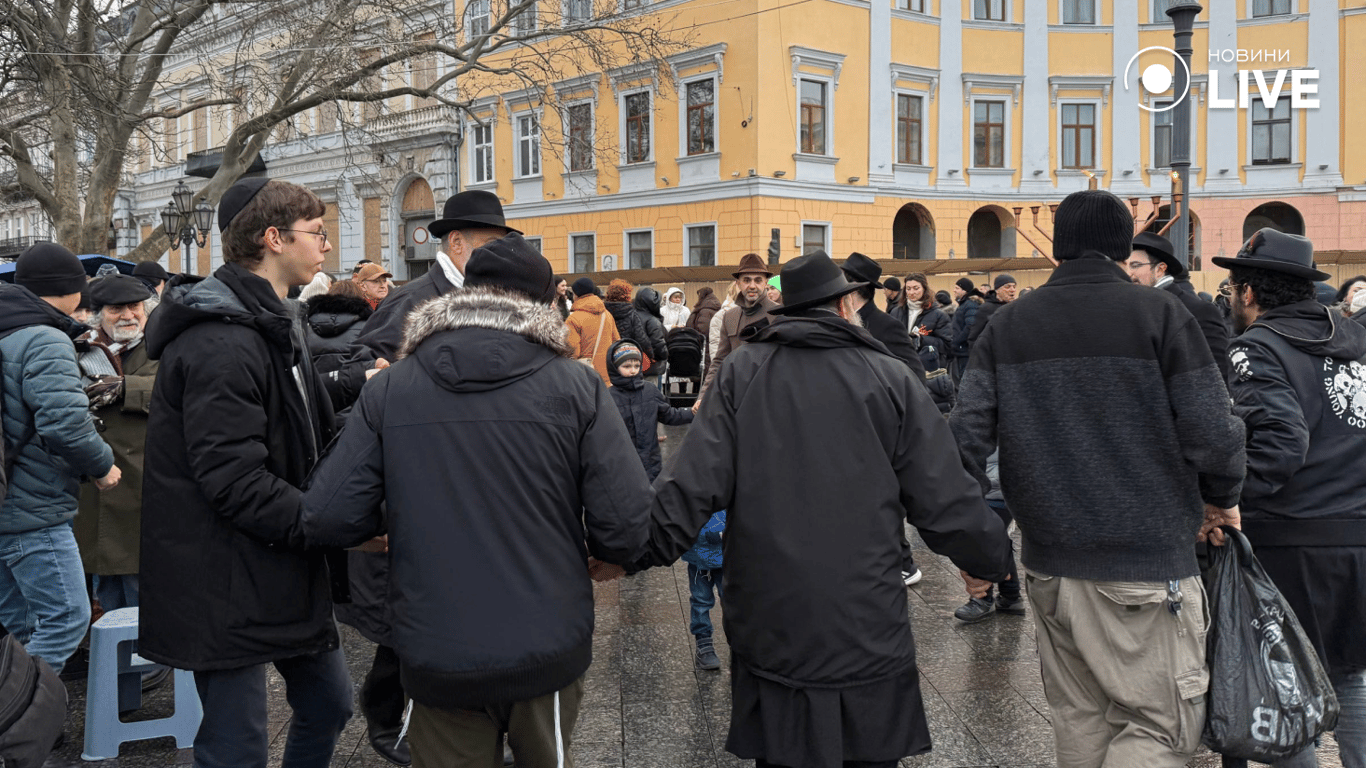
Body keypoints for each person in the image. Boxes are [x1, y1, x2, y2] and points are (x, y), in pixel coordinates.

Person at [613, 250, 1013, 768]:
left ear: (786, 311)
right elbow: (942, 493)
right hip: (865, 615)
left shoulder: (741, 373)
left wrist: (632, 552)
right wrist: (987, 557)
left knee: (783, 752)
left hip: (769, 613)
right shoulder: (889, 376)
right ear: (845, 305)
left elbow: (691, 482)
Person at [298, 234, 653, 768]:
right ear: (545, 303)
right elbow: (627, 523)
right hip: (547, 640)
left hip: (436, 645)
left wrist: (383, 529)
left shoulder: (392, 387)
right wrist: (610, 556)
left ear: (465, 293)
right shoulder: (576, 387)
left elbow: (327, 513)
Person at [950, 189, 1246, 768]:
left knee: (1080, 720)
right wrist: (1223, 500)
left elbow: (962, 440)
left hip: (1050, 562)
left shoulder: (1010, 324)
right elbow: (1214, 429)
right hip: (1145, 561)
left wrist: (966, 533)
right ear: (1121, 246)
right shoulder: (1159, 314)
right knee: (1158, 726)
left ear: (1058, 245)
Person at [139, 178, 352, 768]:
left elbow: (314, 436)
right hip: (222, 574)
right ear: (273, 238)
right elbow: (232, 480)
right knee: (236, 747)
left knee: (330, 705)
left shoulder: (277, 324)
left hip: (276, 560)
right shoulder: (221, 341)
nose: (327, 246)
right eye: (317, 233)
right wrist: (325, 521)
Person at [1215, 229, 1366, 768]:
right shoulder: (1355, 340)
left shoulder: (1257, 347)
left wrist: (1226, 500)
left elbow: (1281, 440)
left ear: (1249, 293)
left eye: (1234, 287)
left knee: (1286, 683)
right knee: (1351, 676)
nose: (1231, 297)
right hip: (1355, 537)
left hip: (1292, 539)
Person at [0, 243, 118, 675]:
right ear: (70, 288)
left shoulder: (7, 327)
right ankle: (21, 723)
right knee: (67, 618)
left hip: (6, 500)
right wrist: (103, 466)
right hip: (32, 508)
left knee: (22, 626)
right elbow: (64, 423)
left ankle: (26, 723)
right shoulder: (44, 337)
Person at [328, 190, 518, 405]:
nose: (499, 253)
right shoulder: (412, 300)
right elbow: (364, 367)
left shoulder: (489, 296)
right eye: (492, 243)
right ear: (456, 242)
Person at [841, 253, 929, 588]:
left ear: (855, 286)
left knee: (882, 497)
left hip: (880, 429)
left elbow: (914, 378)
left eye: (842, 279)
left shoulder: (885, 325)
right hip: (850, 426)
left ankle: (904, 563)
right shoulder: (842, 318)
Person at [74, 275, 157, 614]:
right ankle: (116, 663)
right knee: (105, 583)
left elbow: (186, 390)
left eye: (134, 307)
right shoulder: (80, 348)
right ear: (98, 315)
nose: (127, 315)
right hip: (98, 487)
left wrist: (127, 388)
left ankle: (153, 662)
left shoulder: (162, 343)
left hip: (146, 484)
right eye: (116, 308)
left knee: (143, 585)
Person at [1128, 231, 1231, 381]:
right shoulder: (1132, 308)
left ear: (1160, 269)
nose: (1129, 273)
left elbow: (1219, 374)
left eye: (1135, 265)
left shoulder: (1199, 311)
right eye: (1126, 266)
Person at [950, 449, 1024, 622]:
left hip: (996, 488)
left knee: (982, 541)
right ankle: (1010, 597)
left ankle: (982, 598)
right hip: (995, 487)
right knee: (998, 541)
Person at [701, 253, 779, 398]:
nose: (752, 286)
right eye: (746, 280)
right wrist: (704, 396)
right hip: (737, 396)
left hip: (768, 397)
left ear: (765, 283)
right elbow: (719, 361)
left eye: (758, 280)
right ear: (738, 283)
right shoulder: (730, 316)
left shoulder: (779, 315)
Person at [305, 280, 374, 378]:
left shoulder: (306, 328)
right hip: (356, 388)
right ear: (359, 298)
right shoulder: (368, 328)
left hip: (317, 389)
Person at [566, 277, 620, 385]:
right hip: (607, 376)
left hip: (585, 377)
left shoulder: (573, 319)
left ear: (576, 295)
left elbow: (572, 352)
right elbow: (617, 342)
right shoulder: (607, 315)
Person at [899, 274, 951, 373]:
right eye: (908, 289)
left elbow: (946, 345)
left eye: (916, 288)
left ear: (924, 289)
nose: (911, 292)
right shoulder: (897, 311)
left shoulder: (938, 315)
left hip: (926, 369)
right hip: (902, 366)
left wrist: (921, 340)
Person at [603, 280, 651, 367]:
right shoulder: (631, 313)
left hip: (606, 356)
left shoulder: (602, 312)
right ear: (627, 296)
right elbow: (640, 337)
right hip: (627, 356)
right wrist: (650, 353)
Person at [948, 277, 983, 384]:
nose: (954, 290)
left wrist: (956, 341)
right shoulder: (964, 304)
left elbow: (970, 326)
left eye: (957, 288)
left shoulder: (970, 304)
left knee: (965, 381)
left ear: (965, 291)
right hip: (961, 350)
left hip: (965, 350)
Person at [967, 273, 1016, 343]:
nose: (1012, 290)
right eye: (1007, 287)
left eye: (1014, 287)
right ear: (997, 290)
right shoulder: (986, 308)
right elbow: (974, 336)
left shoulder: (1014, 308)